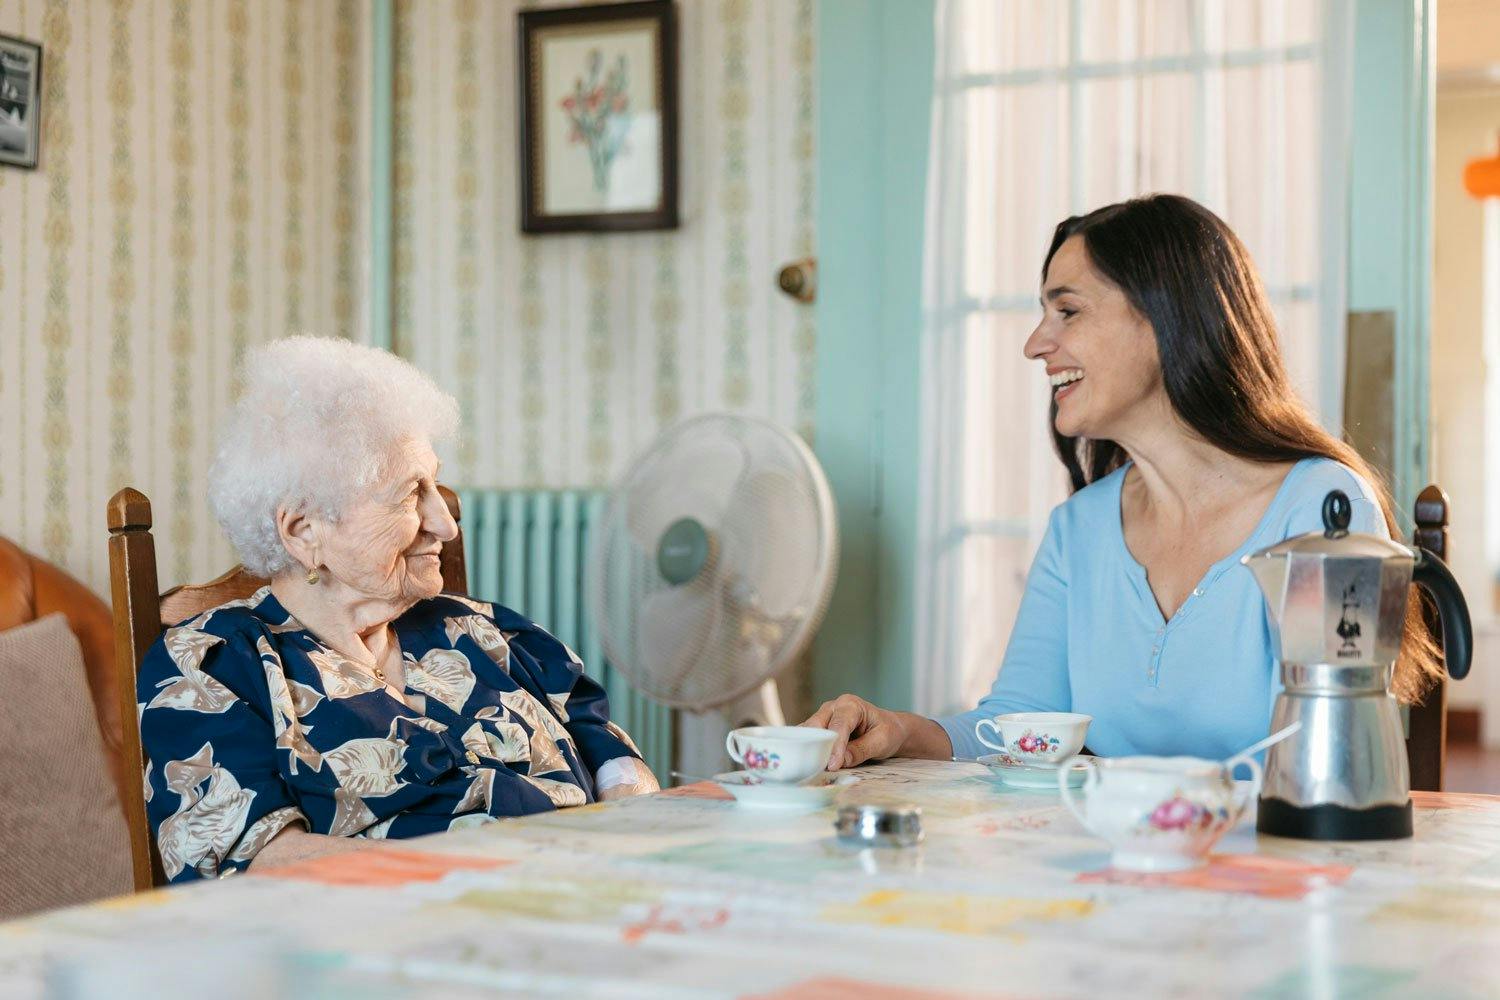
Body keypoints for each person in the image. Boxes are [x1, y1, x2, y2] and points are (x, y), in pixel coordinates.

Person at [805, 194, 1442, 770]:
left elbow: (1333, 750)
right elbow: (1015, 725)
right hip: (1117, 874)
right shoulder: (1079, 529)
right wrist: (894, 730)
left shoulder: (1321, 508)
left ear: (1167, 319)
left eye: (1068, 311)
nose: (1035, 344)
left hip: (1275, 873)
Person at [138, 337, 657, 883]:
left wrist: (620, 824)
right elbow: (256, 866)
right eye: (412, 494)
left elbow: (610, 752)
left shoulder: (485, 630)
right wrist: (501, 870)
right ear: (305, 530)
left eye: (436, 486)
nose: (447, 525)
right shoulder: (212, 664)